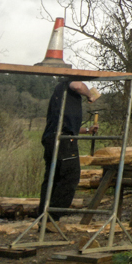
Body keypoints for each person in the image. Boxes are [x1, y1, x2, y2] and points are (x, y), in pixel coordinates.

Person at [39, 79, 99, 219]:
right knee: (70, 177)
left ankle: (44, 217)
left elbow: (67, 125)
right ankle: (52, 218)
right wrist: (90, 95)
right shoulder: (69, 83)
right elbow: (78, 85)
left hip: (53, 138)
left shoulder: (61, 96)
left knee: (53, 178)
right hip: (63, 140)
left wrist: (87, 130)